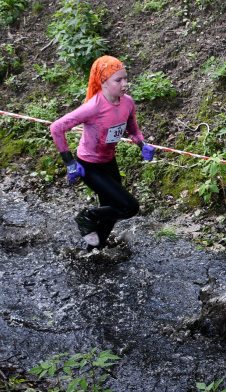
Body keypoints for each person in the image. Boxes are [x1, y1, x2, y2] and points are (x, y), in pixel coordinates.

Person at [49, 56, 155, 248]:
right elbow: (56, 128)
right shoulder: (93, 107)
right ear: (103, 82)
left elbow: (132, 129)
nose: (125, 84)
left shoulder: (128, 103)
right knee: (129, 207)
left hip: (109, 162)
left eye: (125, 78)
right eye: (118, 80)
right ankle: (86, 216)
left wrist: (142, 145)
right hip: (89, 166)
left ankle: (94, 251)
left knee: (111, 212)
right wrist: (70, 162)